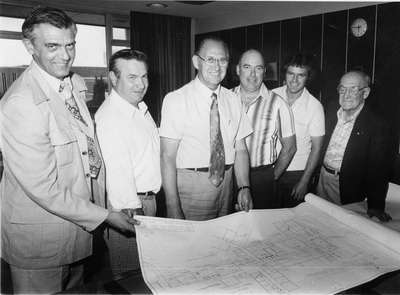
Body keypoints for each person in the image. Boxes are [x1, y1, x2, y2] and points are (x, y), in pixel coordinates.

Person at [0, 7, 137, 294]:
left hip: (76, 233)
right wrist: (104, 215)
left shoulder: (71, 84)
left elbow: (87, 159)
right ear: (30, 46)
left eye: (70, 45)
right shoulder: (21, 103)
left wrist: (107, 205)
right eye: (52, 46)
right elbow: (43, 188)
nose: (64, 55)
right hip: (40, 243)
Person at [160, 37, 253, 221]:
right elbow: (166, 157)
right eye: (210, 59)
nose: (217, 66)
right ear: (196, 62)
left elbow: (241, 149)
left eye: (223, 60)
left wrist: (244, 187)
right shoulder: (176, 100)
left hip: (227, 184)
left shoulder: (233, 99)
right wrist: (172, 206)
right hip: (191, 187)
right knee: (192, 247)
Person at [95, 49, 160, 276]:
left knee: (147, 272)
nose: (141, 84)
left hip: (146, 201)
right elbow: (117, 172)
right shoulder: (112, 117)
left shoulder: (139, 108)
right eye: (132, 77)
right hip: (130, 207)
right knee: (131, 277)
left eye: (144, 76)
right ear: (113, 78)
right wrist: (133, 211)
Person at [317, 70, 392, 222]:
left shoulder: (377, 125)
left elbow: (378, 168)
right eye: (343, 89)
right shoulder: (329, 110)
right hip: (322, 179)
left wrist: (375, 206)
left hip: (347, 187)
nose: (346, 95)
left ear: (365, 93)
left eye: (353, 89)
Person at [233, 49, 296, 209]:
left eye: (258, 68)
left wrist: (270, 178)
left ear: (265, 72)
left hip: (261, 179)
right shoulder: (225, 98)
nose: (253, 74)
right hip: (228, 177)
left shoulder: (279, 104)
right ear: (238, 70)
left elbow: (290, 148)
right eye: (247, 67)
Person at [272, 54, 325, 207]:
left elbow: (317, 149)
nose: (294, 80)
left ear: (308, 77)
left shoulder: (315, 107)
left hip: (296, 173)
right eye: (291, 74)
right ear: (285, 74)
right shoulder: (272, 95)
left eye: (300, 75)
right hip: (270, 169)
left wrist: (304, 181)